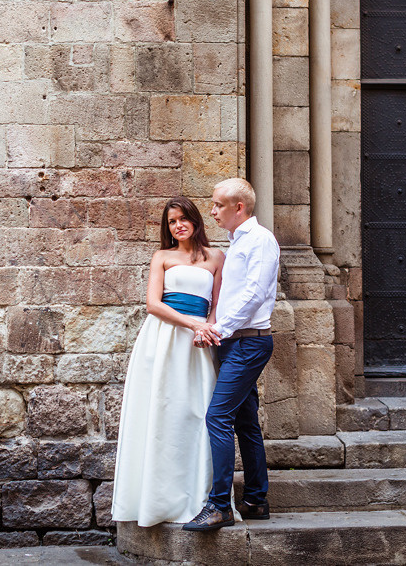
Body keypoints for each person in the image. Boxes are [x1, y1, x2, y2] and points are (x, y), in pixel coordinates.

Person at [111, 196, 225, 527]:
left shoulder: (216, 257)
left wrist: (208, 328)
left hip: (199, 343)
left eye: (184, 218)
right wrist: (193, 324)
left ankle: (198, 496)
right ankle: (154, 500)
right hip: (162, 340)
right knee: (161, 410)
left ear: (196, 220)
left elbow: (217, 303)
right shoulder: (161, 257)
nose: (178, 225)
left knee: (195, 412)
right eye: (172, 221)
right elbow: (153, 304)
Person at [183, 177, 280, 532]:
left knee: (217, 417)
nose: (211, 211)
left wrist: (217, 329)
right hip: (233, 342)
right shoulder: (236, 243)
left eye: (218, 204)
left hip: (248, 342)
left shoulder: (261, 241)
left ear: (239, 207)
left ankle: (220, 505)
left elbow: (254, 294)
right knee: (244, 421)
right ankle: (256, 499)